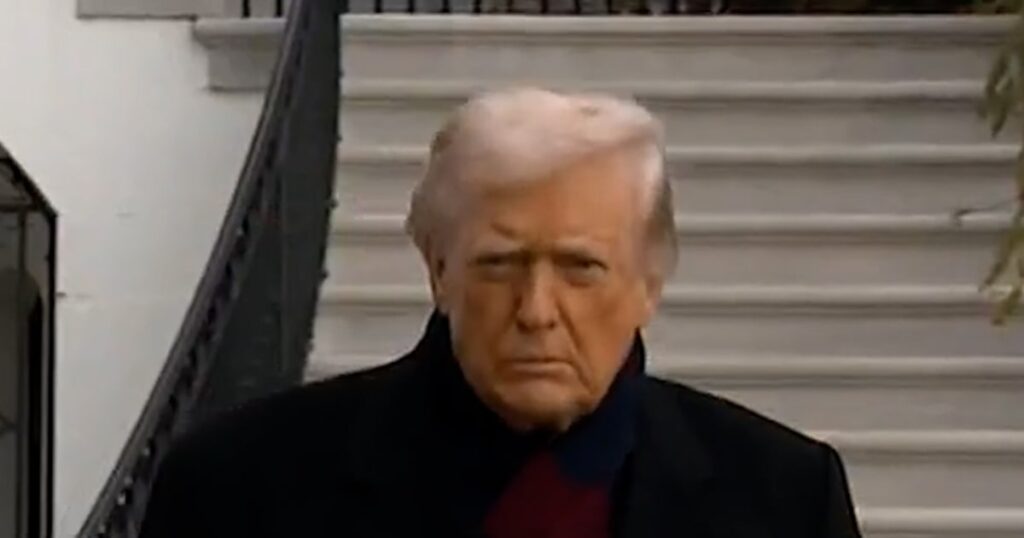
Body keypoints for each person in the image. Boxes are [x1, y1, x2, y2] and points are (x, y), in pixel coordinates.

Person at [140, 88, 862, 538]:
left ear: (650, 283)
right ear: (438, 269)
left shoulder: (784, 499)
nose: (536, 311)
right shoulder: (237, 488)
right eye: (500, 264)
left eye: (580, 267)